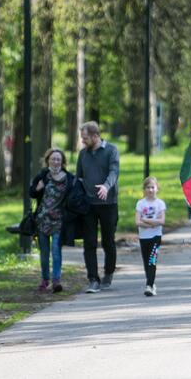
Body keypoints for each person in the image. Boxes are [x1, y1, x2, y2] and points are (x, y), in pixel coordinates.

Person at [76, 121, 120, 294]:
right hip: (88, 205)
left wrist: (106, 186)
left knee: (108, 241)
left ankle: (108, 272)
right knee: (89, 243)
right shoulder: (83, 154)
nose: (83, 141)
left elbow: (114, 172)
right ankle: (93, 279)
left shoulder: (111, 150)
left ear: (95, 136)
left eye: (85, 138)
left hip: (108, 204)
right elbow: (79, 177)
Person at [29, 148, 76, 293]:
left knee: (56, 251)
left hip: (59, 221)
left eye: (58, 159)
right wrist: (38, 189)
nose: (55, 161)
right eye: (53, 159)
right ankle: (44, 280)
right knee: (44, 253)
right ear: (48, 160)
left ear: (62, 162)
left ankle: (56, 280)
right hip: (42, 220)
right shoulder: (43, 175)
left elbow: (74, 197)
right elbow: (31, 193)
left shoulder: (69, 178)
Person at [135, 177, 166, 297]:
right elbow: (137, 222)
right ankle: (151, 283)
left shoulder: (160, 204)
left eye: (153, 187)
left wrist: (145, 219)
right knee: (146, 262)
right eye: (148, 187)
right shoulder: (140, 203)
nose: (150, 190)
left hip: (156, 237)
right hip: (144, 237)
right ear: (144, 189)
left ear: (157, 188)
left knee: (152, 261)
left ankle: (149, 285)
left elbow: (162, 221)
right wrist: (153, 222)